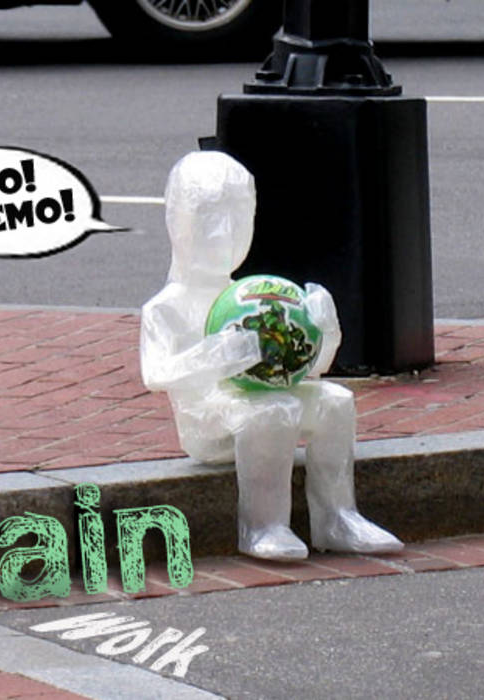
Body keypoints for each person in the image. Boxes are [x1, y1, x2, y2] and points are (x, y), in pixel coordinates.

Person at [140, 151, 402, 560]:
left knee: (335, 401)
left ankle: (338, 517)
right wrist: (217, 355)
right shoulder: (166, 307)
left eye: (239, 218)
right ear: (178, 220)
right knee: (274, 410)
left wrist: (325, 333)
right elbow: (156, 374)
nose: (225, 234)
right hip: (207, 422)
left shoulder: (249, 298)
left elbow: (308, 370)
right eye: (210, 218)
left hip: (256, 401)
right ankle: (262, 526)